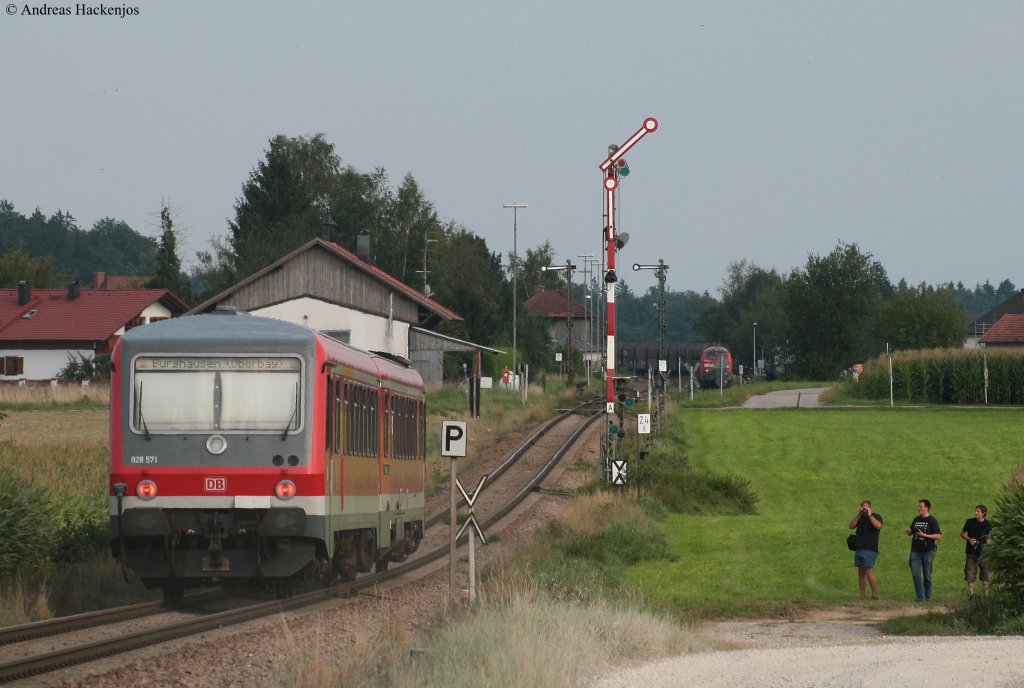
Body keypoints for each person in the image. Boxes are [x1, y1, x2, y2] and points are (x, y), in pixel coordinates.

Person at [905, 499, 942, 601]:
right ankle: (921, 597)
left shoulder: (932, 521)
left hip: (928, 551)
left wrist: (924, 535)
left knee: (927, 576)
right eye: (918, 506)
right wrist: (909, 532)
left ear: (927, 508)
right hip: (915, 551)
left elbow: (938, 536)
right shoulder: (916, 519)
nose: (919, 508)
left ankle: (927, 597)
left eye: (921, 506)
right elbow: (912, 531)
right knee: (916, 574)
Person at [848, 500, 883, 599]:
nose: (864, 509)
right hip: (859, 547)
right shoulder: (860, 517)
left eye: (866, 507)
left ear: (870, 507)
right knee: (861, 572)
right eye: (862, 507)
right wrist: (859, 515)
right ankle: (862, 595)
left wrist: (870, 515)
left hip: (870, 548)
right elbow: (851, 526)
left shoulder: (876, 516)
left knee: (868, 571)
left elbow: (878, 526)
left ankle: (875, 594)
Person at [960, 504, 992, 597]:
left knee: (986, 574)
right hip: (971, 552)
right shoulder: (970, 522)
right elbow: (962, 534)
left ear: (983, 513)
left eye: (978, 511)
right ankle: (972, 595)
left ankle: (986, 596)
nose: (976, 512)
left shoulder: (988, 524)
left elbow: (989, 538)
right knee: (970, 574)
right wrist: (969, 539)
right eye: (976, 511)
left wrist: (987, 549)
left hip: (984, 553)